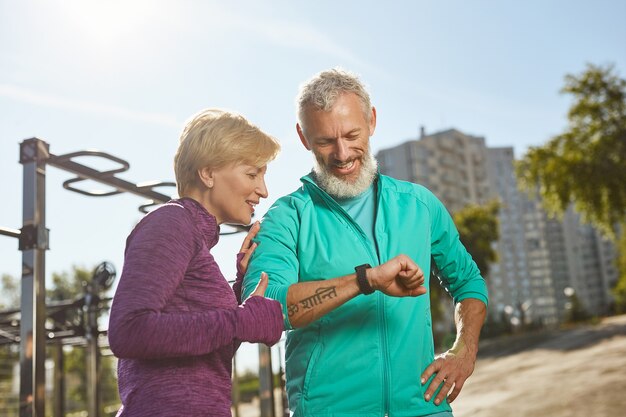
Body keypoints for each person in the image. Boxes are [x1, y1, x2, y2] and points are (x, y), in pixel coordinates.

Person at [241, 68, 488, 417]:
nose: (342, 154)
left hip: (424, 408)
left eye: (351, 134)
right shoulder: (286, 218)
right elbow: (265, 309)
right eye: (325, 141)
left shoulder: (419, 205)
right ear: (303, 136)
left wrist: (464, 351)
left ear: (371, 121)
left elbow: (468, 283)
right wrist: (364, 281)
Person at [108, 108, 284, 417]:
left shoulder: (193, 236)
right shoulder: (171, 223)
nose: (263, 191)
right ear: (208, 173)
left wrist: (241, 286)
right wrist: (241, 320)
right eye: (252, 174)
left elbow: (206, 354)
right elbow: (128, 331)